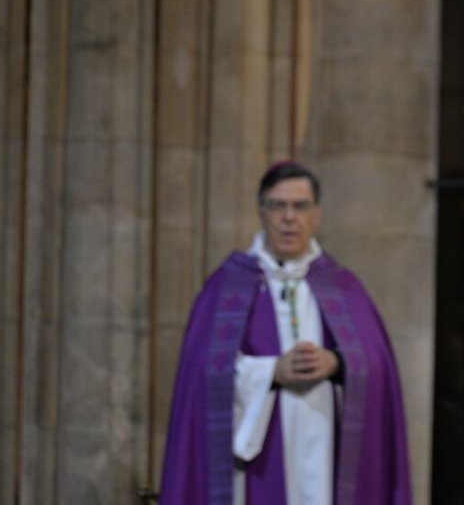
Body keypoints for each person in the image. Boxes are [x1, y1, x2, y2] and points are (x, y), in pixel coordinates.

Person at [161, 161, 412, 504]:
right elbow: (200, 376)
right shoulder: (226, 286)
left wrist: (337, 363)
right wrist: (272, 372)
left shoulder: (344, 287)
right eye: (278, 206)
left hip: (326, 448)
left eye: (300, 206)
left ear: (317, 214)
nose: (289, 217)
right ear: (262, 212)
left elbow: (379, 369)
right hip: (254, 462)